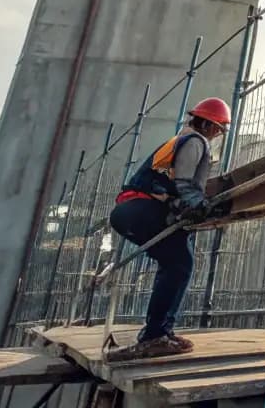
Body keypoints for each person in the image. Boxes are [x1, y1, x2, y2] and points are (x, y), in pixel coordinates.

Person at [105, 97, 233, 361]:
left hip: (131, 210)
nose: (219, 135)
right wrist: (199, 204)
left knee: (173, 261)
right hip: (142, 209)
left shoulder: (178, 141)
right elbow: (185, 182)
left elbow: (170, 185)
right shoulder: (196, 141)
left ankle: (160, 332)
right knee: (179, 264)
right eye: (220, 129)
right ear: (210, 125)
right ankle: (156, 336)